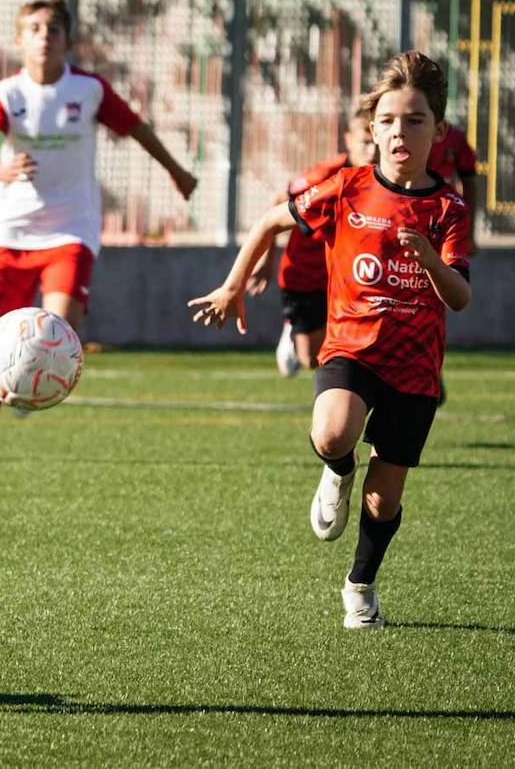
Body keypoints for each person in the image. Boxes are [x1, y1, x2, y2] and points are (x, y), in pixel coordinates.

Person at [188, 51, 471, 629]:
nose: (400, 131)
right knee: (332, 430)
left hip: (416, 370)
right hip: (351, 349)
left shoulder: (449, 209)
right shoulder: (346, 190)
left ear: (437, 132)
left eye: (414, 120)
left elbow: (460, 296)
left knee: (385, 498)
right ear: (373, 130)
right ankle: (337, 469)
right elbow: (270, 221)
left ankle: (360, 585)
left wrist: (429, 260)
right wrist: (233, 285)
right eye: (389, 120)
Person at [0, 0, 198, 464]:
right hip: (10, 231)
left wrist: (176, 170)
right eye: (34, 28)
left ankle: (28, 380)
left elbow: (136, 128)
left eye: (53, 28)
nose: (44, 36)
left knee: (61, 325)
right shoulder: (8, 95)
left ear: (67, 39)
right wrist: (1, 173)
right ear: (19, 39)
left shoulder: (89, 91)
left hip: (70, 228)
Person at [249, 108, 378, 377]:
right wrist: (266, 260)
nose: (373, 150)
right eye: (365, 142)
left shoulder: (383, 179)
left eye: (377, 141)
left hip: (345, 278)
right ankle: (291, 330)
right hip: (304, 275)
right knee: (309, 359)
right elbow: (277, 205)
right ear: (348, 139)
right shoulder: (326, 175)